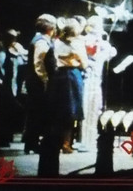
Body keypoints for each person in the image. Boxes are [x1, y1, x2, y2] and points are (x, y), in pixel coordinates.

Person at [38, 19, 88, 176]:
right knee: (71, 112)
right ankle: (66, 143)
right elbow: (84, 64)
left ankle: (57, 141)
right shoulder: (78, 44)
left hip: (58, 76)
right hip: (72, 75)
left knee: (59, 111)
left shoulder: (56, 42)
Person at [80, 16, 117, 149]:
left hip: (97, 80)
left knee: (95, 109)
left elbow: (110, 54)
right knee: (87, 109)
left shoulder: (103, 43)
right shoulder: (85, 40)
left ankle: (92, 138)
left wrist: (108, 49)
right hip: (87, 79)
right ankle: (85, 141)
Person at [23, 14, 56, 154]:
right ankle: (32, 143)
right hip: (38, 82)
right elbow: (38, 63)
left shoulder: (39, 39)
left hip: (35, 81)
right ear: (49, 27)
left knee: (34, 113)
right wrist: (45, 80)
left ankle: (30, 142)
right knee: (37, 113)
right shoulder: (41, 41)